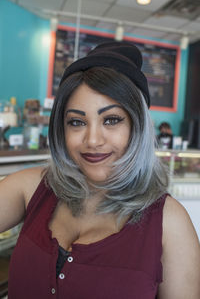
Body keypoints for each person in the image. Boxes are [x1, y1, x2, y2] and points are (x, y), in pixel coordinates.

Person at [0, 41, 200, 299]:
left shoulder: (170, 223)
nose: (93, 140)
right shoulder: (31, 187)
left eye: (112, 120)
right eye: (76, 122)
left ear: (136, 126)